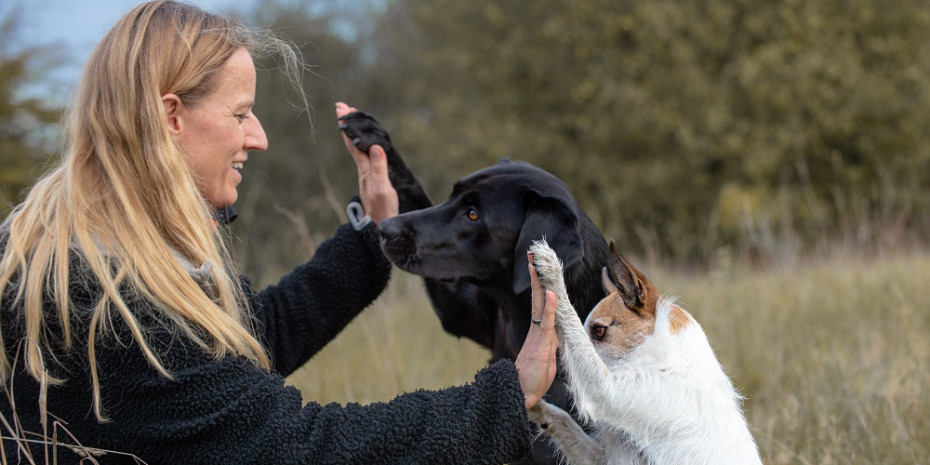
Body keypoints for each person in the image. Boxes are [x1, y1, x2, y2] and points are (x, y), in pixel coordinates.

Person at [0, 1, 560, 464]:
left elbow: (244, 343)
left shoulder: (62, 250)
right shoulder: (112, 304)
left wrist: (371, 233)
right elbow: (295, 448)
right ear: (171, 117)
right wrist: (509, 397)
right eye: (241, 114)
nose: (259, 137)